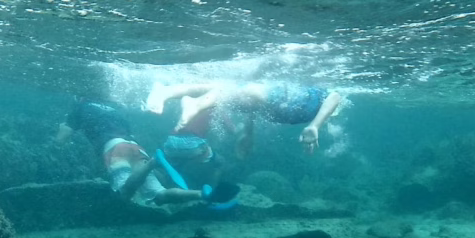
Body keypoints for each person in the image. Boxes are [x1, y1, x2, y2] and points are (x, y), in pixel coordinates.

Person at [56, 98, 207, 206]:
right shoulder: (113, 111)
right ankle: (201, 194)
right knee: (158, 195)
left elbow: (61, 140)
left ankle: (153, 163)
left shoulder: (80, 108)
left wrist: (63, 126)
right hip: (135, 147)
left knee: (124, 193)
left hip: (114, 149)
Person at [145, 81, 342, 155]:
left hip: (276, 105)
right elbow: (336, 96)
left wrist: (248, 134)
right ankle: (194, 103)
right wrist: (315, 125)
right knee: (236, 90)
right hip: (284, 101)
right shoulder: (322, 101)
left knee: (224, 88)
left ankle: (168, 91)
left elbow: (255, 111)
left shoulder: (311, 105)